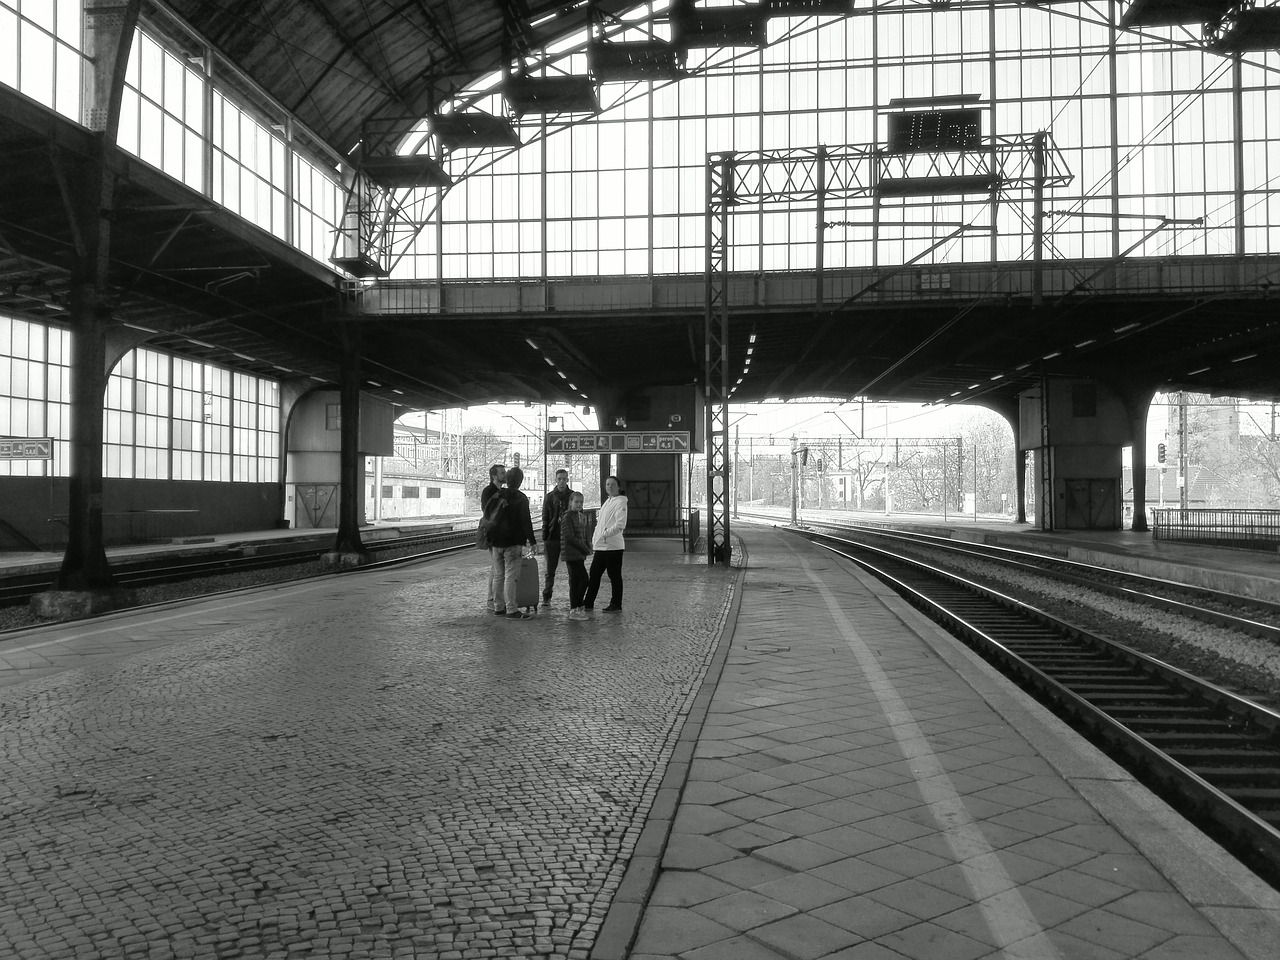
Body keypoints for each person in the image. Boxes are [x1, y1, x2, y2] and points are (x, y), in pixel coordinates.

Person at [489, 466, 537, 620]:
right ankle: (511, 609)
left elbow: (488, 515)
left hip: (496, 542)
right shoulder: (521, 498)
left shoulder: (497, 494)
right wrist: (533, 541)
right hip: (513, 542)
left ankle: (498, 607)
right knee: (510, 576)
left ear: (507, 480)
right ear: (520, 481)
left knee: (498, 575)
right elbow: (526, 521)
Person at [583, 475, 628, 613]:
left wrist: (604, 534)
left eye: (612, 484)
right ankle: (588, 602)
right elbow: (601, 523)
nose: (609, 487)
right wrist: (595, 539)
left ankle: (616, 603)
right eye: (607, 484)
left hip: (612, 547)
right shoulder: (608, 501)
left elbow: (620, 525)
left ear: (618, 487)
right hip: (602, 546)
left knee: (613, 575)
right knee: (595, 573)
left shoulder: (620, 502)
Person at [540, 468, 576, 607]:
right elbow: (545, 517)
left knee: (572, 570)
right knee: (550, 570)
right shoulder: (549, 497)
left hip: (569, 538)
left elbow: (578, 515)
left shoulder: (573, 496)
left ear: (567, 480)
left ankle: (574, 598)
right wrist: (545, 537)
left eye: (564, 479)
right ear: (556, 480)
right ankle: (547, 596)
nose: (562, 481)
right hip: (553, 537)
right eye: (559, 479)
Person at [561, 491, 592, 621]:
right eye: (576, 502)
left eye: (581, 502)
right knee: (584, 579)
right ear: (570, 502)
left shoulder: (580, 516)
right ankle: (578, 605)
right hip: (571, 553)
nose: (579, 504)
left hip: (578, 554)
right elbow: (569, 537)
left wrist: (587, 545)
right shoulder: (567, 517)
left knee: (575, 581)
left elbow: (584, 534)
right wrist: (585, 548)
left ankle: (574, 609)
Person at [481, 463, 506, 611]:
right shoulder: (488, 491)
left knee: (496, 568)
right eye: (502, 473)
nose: (505, 475)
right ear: (494, 476)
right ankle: (492, 599)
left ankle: (494, 597)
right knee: (497, 568)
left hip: (501, 534)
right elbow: (487, 511)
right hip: (492, 534)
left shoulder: (503, 491)